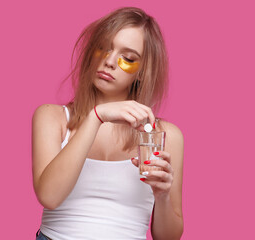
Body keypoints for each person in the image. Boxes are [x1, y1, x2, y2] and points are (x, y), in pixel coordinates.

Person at [32, 7, 184, 240]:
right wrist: (95, 117)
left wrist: (162, 196)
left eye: (128, 58)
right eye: (103, 48)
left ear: (142, 72)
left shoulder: (164, 136)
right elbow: (50, 196)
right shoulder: (53, 117)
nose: (110, 61)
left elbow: (168, 237)